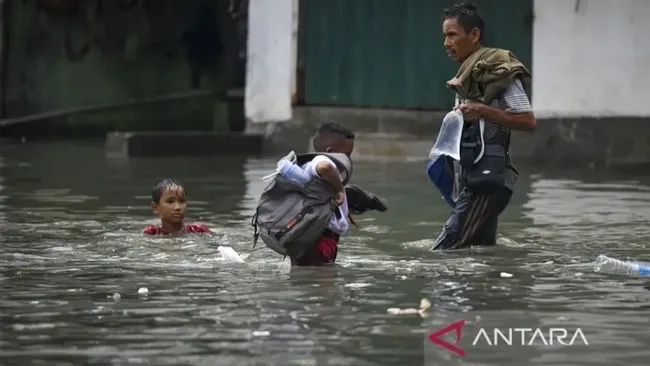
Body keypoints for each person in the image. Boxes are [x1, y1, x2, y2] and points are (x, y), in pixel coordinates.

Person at [432, 2, 536, 250]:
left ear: (474, 35)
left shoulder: (498, 70)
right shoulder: (466, 76)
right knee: (480, 251)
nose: (447, 43)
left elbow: (528, 120)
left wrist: (484, 111)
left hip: (488, 183)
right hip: (473, 179)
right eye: (444, 36)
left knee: (445, 249)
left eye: (452, 35)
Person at [292, 122, 355, 266]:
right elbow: (324, 167)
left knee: (308, 279)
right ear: (330, 150)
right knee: (323, 284)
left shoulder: (307, 165)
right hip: (320, 241)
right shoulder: (323, 160)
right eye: (347, 154)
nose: (349, 160)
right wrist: (339, 190)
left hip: (313, 238)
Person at [143, 178, 212, 236]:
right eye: (170, 201)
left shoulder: (199, 230)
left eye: (182, 201)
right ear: (155, 208)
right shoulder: (151, 233)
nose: (178, 207)